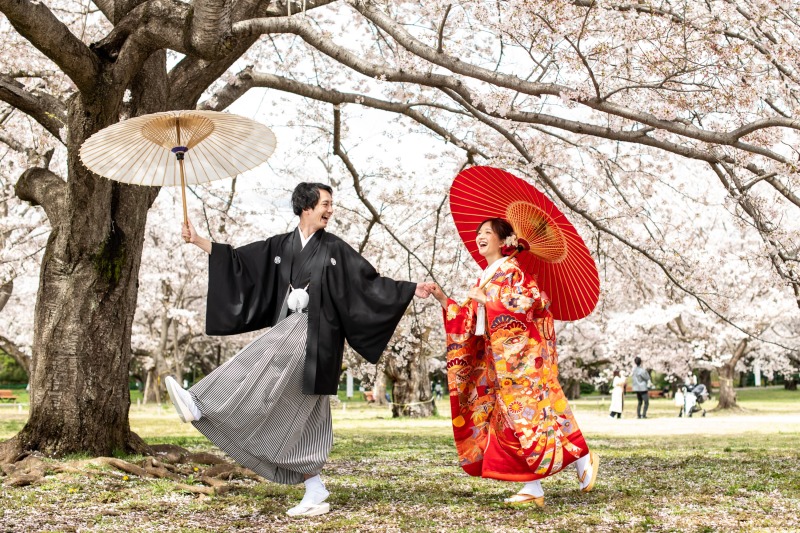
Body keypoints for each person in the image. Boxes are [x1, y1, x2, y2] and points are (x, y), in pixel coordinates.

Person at [164, 182, 432, 517]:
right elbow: (238, 262)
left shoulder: (334, 248)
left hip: (316, 335)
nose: (330, 210)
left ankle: (202, 401)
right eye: (325, 204)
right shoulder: (281, 245)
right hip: (293, 330)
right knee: (304, 413)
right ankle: (314, 488)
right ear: (306, 206)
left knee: (262, 358)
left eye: (331, 204)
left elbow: (368, 282)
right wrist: (198, 240)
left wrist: (409, 289)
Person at [430, 218, 598, 508]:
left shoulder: (512, 271)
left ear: (504, 241)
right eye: (478, 233)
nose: (480, 237)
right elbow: (470, 320)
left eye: (487, 233)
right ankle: (532, 486)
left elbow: (530, 303)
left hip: (521, 361)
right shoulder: (487, 275)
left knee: (532, 418)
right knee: (511, 423)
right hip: (499, 364)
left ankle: (582, 458)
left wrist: (490, 300)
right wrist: (443, 298)